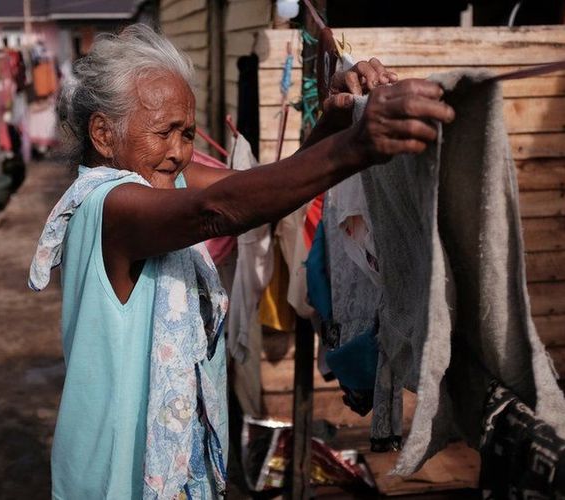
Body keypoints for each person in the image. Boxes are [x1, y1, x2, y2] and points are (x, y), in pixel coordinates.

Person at [29, 24, 454, 500]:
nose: (177, 150)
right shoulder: (107, 206)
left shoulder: (163, 178)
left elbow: (265, 190)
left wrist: (337, 121)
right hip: (114, 477)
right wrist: (357, 147)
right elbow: (217, 211)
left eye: (187, 134)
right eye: (164, 132)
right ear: (104, 134)